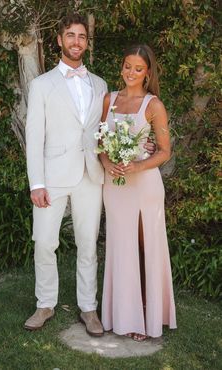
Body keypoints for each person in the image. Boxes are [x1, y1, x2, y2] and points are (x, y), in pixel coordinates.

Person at [24, 13, 107, 336]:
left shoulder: (100, 84)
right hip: (52, 177)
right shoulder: (41, 85)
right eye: (70, 35)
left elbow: (102, 132)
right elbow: (35, 137)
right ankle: (45, 303)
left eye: (81, 36)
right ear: (59, 40)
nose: (76, 41)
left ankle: (88, 308)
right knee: (44, 242)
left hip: (91, 175)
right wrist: (37, 182)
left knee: (88, 245)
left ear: (87, 42)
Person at [100, 44, 177, 341]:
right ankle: (122, 313)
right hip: (115, 186)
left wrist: (138, 165)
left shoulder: (154, 105)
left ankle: (146, 316)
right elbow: (100, 143)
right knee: (121, 246)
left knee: (144, 246)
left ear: (147, 73)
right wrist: (107, 163)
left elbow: (165, 151)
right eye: (127, 66)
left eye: (138, 68)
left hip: (143, 185)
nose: (130, 72)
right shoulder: (109, 100)